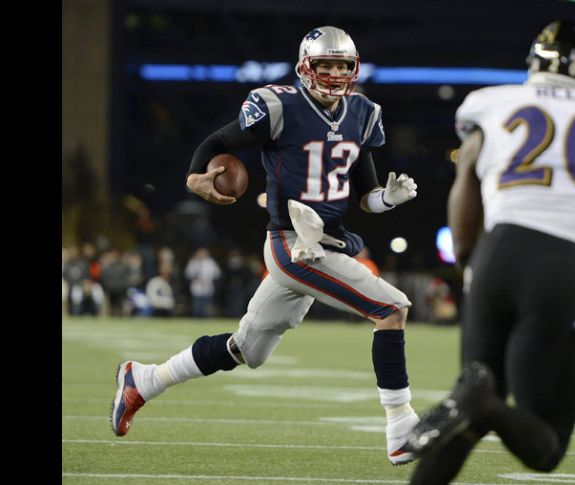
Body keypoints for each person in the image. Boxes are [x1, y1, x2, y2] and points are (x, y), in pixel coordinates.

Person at [110, 26, 421, 466]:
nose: (333, 74)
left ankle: (144, 380)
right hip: (293, 243)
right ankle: (401, 426)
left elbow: (365, 199)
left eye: (342, 66)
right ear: (305, 67)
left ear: (353, 69)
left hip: (328, 241)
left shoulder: (363, 113)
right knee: (390, 310)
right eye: (325, 65)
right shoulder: (280, 106)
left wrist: (387, 198)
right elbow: (218, 141)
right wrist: (196, 175)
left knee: (245, 350)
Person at [404, 20, 575, 483]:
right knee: (545, 447)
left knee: (470, 410)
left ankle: (474, 399)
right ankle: (478, 399)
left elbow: (464, 194)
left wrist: (471, 267)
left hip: (495, 255)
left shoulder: (495, 104)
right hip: (564, 268)